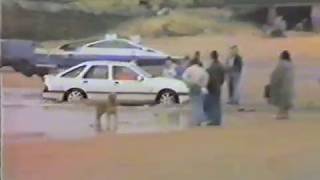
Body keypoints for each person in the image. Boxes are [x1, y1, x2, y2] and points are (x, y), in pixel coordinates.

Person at [269, 50, 295, 120]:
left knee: (281, 100)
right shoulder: (291, 65)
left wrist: (272, 82)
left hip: (282, 86)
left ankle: (281, 114)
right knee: (287, 100)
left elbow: (276, 75)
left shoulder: (281, 64)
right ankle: (286, 114)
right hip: (289, 86)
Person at [182, 59, 209, 126]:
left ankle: (197, 120)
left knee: (195, 105)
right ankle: (200, 120)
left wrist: (189, 83)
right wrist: (203, 85)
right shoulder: (203, 70)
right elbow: (207, 78)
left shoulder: (189, 69)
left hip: (193, 88)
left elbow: (184, 77)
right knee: (200, 105)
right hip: (202, 89)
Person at [203, 51, 225, 126]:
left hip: (211, 88)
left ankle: (213, 120)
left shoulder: (210, 68)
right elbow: (222, 78)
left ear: (211, 57)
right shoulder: (220, 66)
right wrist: (219, 84)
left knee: (212, 105)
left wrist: (207, 86)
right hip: (218, 87)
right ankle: (218, 120)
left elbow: (207, 78)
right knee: (217, 104)